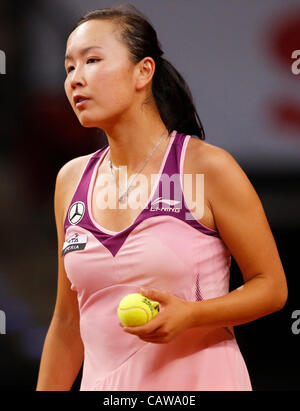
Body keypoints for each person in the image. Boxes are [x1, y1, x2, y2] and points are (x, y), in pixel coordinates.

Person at [36, 4, 288, 391]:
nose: (75, 79)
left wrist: (192, 315)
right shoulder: (71, 180)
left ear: (144, 71)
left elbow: (271, 286)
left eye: (92, 60)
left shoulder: (206, 167)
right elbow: (68, 322)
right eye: (69, 67)